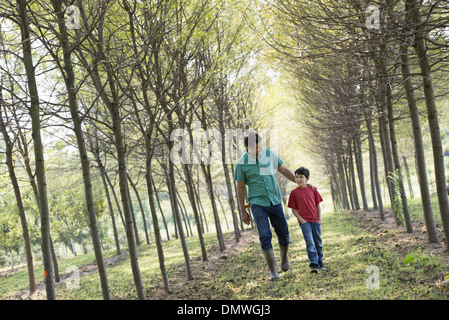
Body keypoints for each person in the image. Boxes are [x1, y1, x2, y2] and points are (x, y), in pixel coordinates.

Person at [234, 133, 296, 280]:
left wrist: (299, 182)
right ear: (248, 148)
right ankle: (273, 271)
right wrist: (243, 211)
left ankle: (284, 257)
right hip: (257, 203)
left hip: (274, 200)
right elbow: (240, 188)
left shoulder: (269, 154)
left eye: (260, 146)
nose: (260, 149)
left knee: (283, 233)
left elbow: (284, 170)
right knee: (265, 235)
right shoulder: (241, 163)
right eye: (256, 148)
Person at [287, 166, 324, 273]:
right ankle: (314, 265)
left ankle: (320, 262)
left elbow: (318, 205)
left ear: (307, 178)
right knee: (310, 243)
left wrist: (319, 219)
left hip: (315, 221)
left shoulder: (313, 190)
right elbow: (294, 210)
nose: (298, 179)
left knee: (318, 243)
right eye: (296, 177)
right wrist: (302, 220)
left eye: (301, 177)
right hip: (305, 223)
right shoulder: (294, 193)